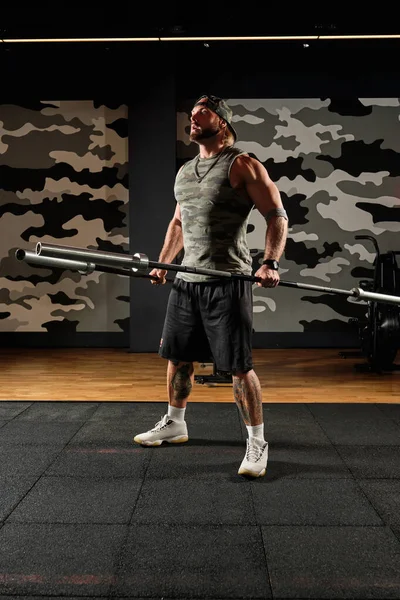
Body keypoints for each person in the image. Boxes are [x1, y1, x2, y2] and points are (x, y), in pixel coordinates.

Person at [133, 94, 288, 478]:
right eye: (191, 117)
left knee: (238, 367)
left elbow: (277, 215)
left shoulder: (242, 164)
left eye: (201, 116)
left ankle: (256, 442)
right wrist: (165, 264)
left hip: (228, 280)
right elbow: (178, 223)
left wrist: (269, 262)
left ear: (222, 122)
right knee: (178, 357)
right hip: (188, 281)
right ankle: (175, 423)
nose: (193, 122)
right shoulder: (185, 171)